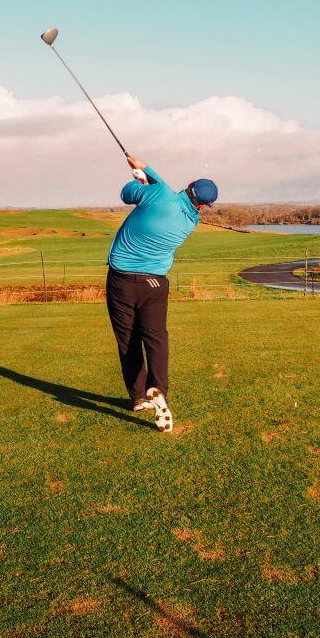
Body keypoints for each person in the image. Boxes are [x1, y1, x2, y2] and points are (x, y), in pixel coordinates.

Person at [106, 154, 218, 432]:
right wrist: (145, 170)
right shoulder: (190, 221)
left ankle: (138, 397)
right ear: (204, 206)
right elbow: (166, 195)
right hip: (155, 284)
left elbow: (126, 193)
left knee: (128, 340)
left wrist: (139, 182)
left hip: (121, 280)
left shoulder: (158, 194)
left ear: (189, 183)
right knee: (156, 338)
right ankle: (159, 390)